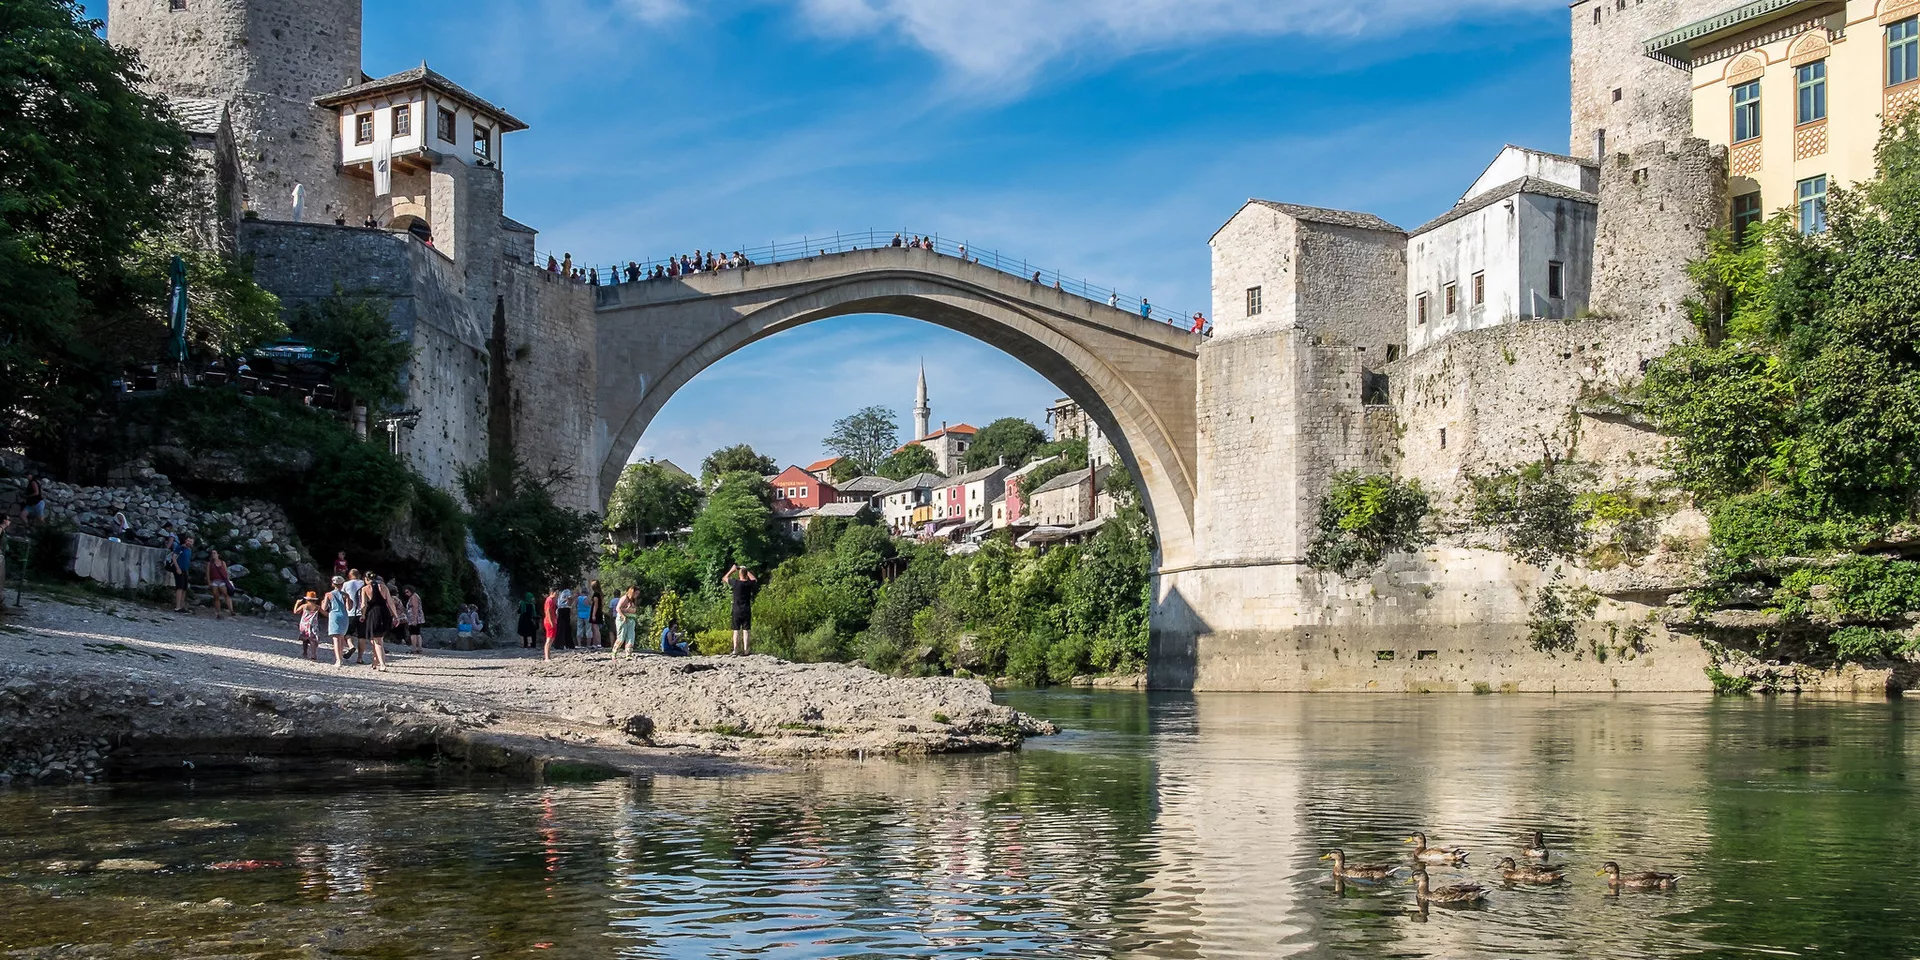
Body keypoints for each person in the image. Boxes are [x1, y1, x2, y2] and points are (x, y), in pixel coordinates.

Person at [359, 573, 393, 672]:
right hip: (384, 613)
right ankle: (375, 661)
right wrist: (395, 615)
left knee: (377, 640)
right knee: (376, 639)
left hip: (373, 614)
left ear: (366, 579)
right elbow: (390, 602)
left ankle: (382, 664)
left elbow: (363, 604)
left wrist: (363, 615)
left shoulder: (365, 589)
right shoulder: (384, 587)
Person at [723, 564, 757, 656]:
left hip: (736, 609)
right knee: (746, 630)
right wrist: (745, 570)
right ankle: (746, 650)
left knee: (736, 630)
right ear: (746, 574)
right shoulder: (749, 584)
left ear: (739, 575)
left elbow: (725, 578)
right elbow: (754, 579)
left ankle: (736, 650)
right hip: (746, 609)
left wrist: (732, 570)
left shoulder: (736, 583)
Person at [323, 576, 352, 667]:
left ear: (333, 584)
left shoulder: (328, 594)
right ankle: (341, 658)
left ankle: (338, 660)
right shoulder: (345, 595)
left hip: (334, 616)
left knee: (335, 639)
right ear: (342, 584)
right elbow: (349, 608)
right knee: (341, 638)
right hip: (344, 616)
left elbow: (324, 608)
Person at [342, 568, 367, 663]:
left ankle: (351, 646)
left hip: (350, 612)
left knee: (347, 633)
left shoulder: (346, 584)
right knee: (362, 636)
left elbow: (343, 597)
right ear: (359, 575)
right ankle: (360, 658)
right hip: (363, 613)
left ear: (350, 575)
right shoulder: (364, 583)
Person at [168, 535, 194, 614]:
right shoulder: (180, 547)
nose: (189, 542)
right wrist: (177, 568)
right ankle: (177, 606)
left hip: (185, 570)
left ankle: (182, 606)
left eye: (191, 541)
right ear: (186, 541)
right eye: (188, 541)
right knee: (179, 587)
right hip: (179, 569)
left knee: (184, 588)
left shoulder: (189, 550)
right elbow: (174, 557)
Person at [612, 586, 640, 659]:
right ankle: (614, 652)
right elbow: (618, 608)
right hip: (623, 619)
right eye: (636, 593)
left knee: (631, 637)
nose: (637, 595)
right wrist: (623, 616)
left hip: (631, 619)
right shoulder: (625, 598)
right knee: (621, 637)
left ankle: (628, 654)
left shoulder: (633, 600)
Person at [206, 549, 234, 620]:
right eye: (212, 553)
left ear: (218, 554)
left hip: (222, 581)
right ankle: (218, 612)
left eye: (214, 553)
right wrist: (209, 582)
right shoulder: (209, 563)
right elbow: (208, 573)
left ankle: (231, 610)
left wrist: (227, 581)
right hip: (214, 581)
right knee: (216, 597)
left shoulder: (222, 562)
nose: (213, 555)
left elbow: (226, 572)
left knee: (226, 595)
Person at [295, 591, 322, 661]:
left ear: (307, 599)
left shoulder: (304, 606)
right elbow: (325, 614)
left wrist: (297, 603)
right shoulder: (318, 607)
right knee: (313, 640)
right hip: (314, 625)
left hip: (304, 624)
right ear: (315, 600)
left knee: (305, 639)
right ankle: (313, 655)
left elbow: (295, 612)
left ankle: (305, 653)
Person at [401, 584, 425, 655]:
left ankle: (414, 648)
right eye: (405, 592)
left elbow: (415, 608)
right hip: (418, 618)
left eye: (407, 592)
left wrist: (414, 619)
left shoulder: (414, 597)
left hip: (414, 618)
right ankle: (419, 648)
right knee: (417, 633)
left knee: (413, 633)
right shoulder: (415, 596)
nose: (406, 594)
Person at [542, 587, 559, 661]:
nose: (557, 594)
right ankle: (546, 657)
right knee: (549, 639)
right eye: (556, 593)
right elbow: (548, 612)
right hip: (549, 622)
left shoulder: (552, 600)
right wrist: (551, 622)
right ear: (552, 592)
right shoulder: (549, 600)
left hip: (552, 621)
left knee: (551, 639)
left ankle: (548, 656)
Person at [578, 583, 596, 647]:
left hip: (580, 614)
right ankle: (588, 644)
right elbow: (591, 604)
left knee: (579, 629)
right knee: (588, 629)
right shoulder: (587, 598)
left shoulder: (578, 598)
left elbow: (575, 606)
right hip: (587, 614)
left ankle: (579, 644)